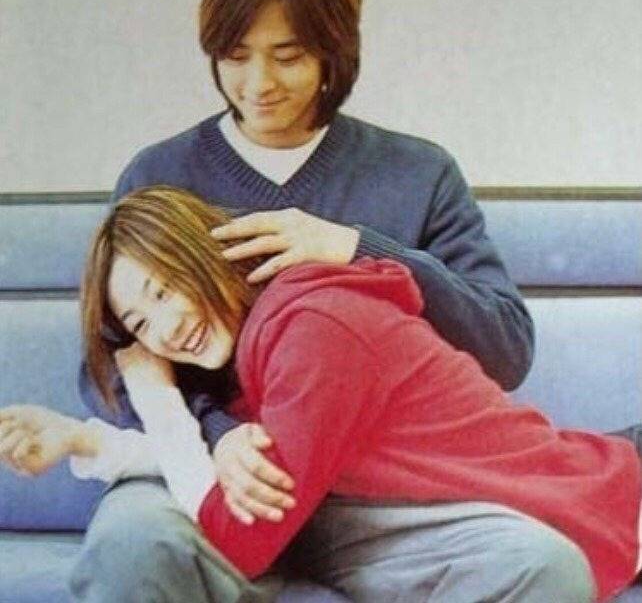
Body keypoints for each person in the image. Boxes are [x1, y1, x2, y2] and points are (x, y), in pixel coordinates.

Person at [1, 186, 640, 603]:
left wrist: (156, 392)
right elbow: (230, 476)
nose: (165, 330)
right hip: (386, 516)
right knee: (139, 537)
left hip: (568, 497)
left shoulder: (313, 330)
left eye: (165, 291)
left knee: (539, 564)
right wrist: (82, 439)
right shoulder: (261, 340)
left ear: (207, 255)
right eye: (141, 324)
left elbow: (238, 534)